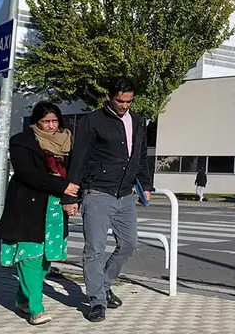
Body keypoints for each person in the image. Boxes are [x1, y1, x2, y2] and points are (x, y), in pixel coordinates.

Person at [68, 77, 153, 323]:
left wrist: (145, 185)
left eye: (129, 100)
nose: (124, 105)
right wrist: (70, 194)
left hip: (125, 194)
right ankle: (96, 301)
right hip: (98, 192)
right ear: (109, 96)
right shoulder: (92, 121)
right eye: (120, 100)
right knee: (94, 249)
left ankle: (103, 285)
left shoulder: (137, 121)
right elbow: (79, 158)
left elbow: (141, 155)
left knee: (128, 245)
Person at [0, 102, 80, 325]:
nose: (51, 126)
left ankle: (22, 300)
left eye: (54, 121)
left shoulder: (69, 142)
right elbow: (27, 173)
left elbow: (75, 173)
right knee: (30, 255)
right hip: (28, 206)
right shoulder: (21, 141)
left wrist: (72, 198)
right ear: (36, 122)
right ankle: (36, 308)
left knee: (45, 259)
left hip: (55, 207)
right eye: (46, 121)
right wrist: (62, 186)